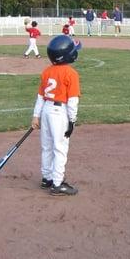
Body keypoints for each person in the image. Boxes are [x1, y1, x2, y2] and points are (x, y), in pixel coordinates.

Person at [31, 35, 82, 196]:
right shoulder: (71, 73)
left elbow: (40, 97)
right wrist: (72, 120)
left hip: (46, 110)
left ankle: (47, 179)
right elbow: (73, 101)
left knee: (46, 147)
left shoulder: (47, 71)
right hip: (59, 113)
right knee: (60, 149)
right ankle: (57, 184)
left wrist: (35, 116)